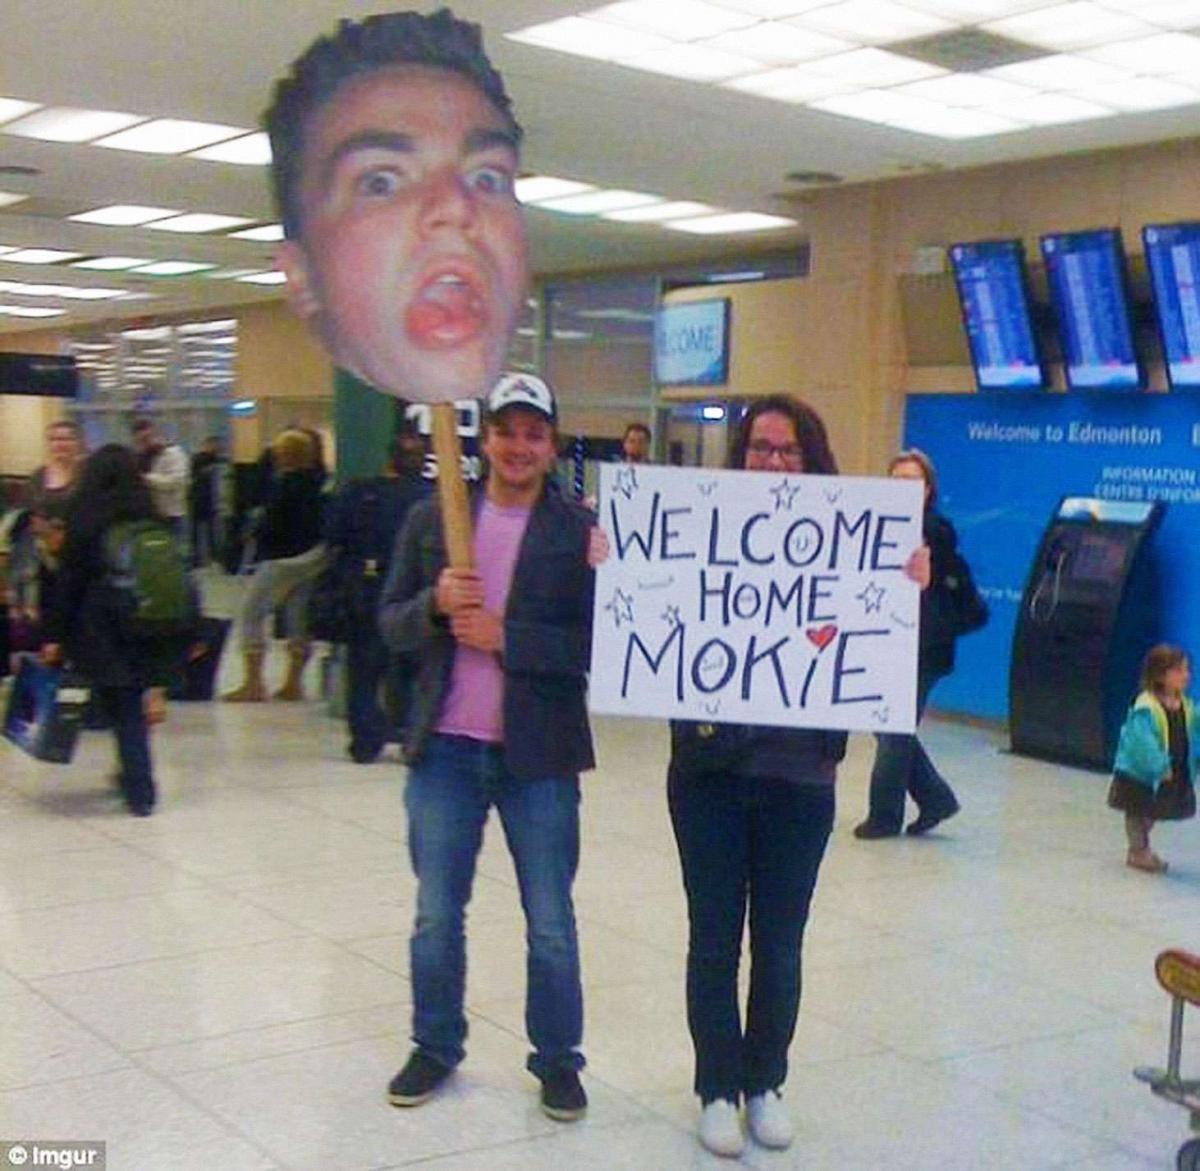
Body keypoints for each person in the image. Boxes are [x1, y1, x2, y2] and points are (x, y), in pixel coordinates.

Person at [662, 396, 928, 1159]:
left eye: (788, 449)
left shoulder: (849, 545)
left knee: (780, 944)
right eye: (760, 447)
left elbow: (891, 649)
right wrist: (614, 562)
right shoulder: (701, 534)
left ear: (812, 460)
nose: (773, 461)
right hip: (709, 774)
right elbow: (649, 609)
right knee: (714, 939)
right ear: (739, 455)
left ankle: (764, 1081)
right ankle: (717, 1086)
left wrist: (910, 586)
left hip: (800, 781)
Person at [378, 374, 599, 1121]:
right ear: (486, 440)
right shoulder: (434, 520)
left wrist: (510, 638)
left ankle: (559, 1060)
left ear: (552, 446)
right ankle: (435, 1045)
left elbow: (596, 646)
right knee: (436, 916)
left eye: (534, 434)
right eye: (507, 431)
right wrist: (435, 606)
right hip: (444, 750)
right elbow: (388, 623)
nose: (518, 446)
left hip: (541, 758)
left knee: (551, 922)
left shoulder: (578, 534)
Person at [40, 445, 179, 816]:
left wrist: (54, 634)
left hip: (101, 626)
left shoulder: (85, 517)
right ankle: (135, 780)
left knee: (121, 705)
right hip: (147, 621)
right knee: (130, 701)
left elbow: (69, 583)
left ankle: (139, 787)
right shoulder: (151, 517)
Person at [854, 449, 962, 840]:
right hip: (889, 642)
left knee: (893, 728)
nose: (903, 488)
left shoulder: (935, 531)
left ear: (928, 489)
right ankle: (935, 798)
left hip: (923, 647)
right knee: (887, 724)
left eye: (912, 481)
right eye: (896, 480)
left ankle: (885, 815)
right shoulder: (879, 526)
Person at [323, 421, 430, 762]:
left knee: (364, 671)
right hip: (418, 595)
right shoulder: (433, 499)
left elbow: (333, 538)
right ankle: (413, 736)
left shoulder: (360, 494)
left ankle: (365, 741)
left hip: (367, 591)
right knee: (415, 670)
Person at [224, 428, 327, 702]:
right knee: (298, 618)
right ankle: (294, 683)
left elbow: (273, 524)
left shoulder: (285, 484)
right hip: (312, 558)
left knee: (251, 613)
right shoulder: (319, 482)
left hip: (281, 559)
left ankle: (253, 683)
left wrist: (254, 534)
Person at [1108, 644, 1197, 873]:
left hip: (1170, 770)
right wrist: (1158, 765)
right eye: (1179, 670)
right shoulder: (1146, 706)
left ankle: (1140, 848)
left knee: (1153, 810)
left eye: (1187, 670)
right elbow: (1142, 741)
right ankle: (1138, 850)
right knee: (1137, 809)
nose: (1186, 675)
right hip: (1141, 772)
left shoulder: (1184, 705)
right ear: (1160, 675)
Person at [131, 418, 189, 541]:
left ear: (156, 434)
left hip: (171, 515)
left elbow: (176, 482)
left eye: (147, 438)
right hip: (150, 515)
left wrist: (146, 479)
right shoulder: (140, 457)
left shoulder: (173, 454)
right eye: (140, 441)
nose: (145, 443)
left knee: (174, 548)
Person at [188, 435, 223, 568]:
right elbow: (194, 476)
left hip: (210, 501)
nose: (216, 448)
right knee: (196, 533)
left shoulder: (217, 459)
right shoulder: (197, 458)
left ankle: (213, 557)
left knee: (211, 532)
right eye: (214, 445)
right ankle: (196, 559)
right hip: (198, 500)